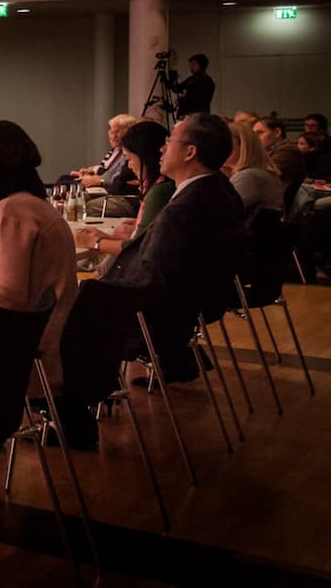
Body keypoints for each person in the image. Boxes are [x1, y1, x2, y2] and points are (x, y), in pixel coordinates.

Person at [56, 113, 245, 448]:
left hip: (158, 317)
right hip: (189, 308)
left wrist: (99, 286)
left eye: (170, 139)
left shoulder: (183, 208)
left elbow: (151, 277)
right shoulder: (218, 191)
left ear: (189, 152)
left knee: (70, 308)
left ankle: (68, 412)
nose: (162, 147)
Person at [0, 121, 77, 386]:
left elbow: (7, 300)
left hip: (31, 354)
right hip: (55, 341)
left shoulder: (12, 213)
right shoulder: (31, 205)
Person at [75, 121, 173, 257]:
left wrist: (95, 242)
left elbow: (139, 248)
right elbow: (138, 241)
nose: (129, 165)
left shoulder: (160, 191)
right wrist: (103, 236)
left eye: (129, 159)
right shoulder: (157, 187)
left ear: (145, 156)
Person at [76, 114, 139, 216]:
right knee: (77, 197)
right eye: (111, 132)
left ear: (128, 130)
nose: (113, 136)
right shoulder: (121, 150)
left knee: (81, 205)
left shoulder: (133, 151)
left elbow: (120, 180)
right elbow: (112, 172)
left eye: (117, 132)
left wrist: (100, 181)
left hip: (125, 198)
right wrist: (98, 179)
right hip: (113, 192)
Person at [224, 120, 284, 222]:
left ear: (243, 146)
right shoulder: (258, 173)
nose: (219, 148)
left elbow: (222, 215)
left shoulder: (248, 176)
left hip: (244, 236)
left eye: (226, 144)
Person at [255, 116, 305, 191]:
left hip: (275, 199)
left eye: (260, 133)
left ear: (277, 132)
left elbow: (264, 175)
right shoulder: (268, 149)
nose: (255, 137)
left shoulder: (287, 150)